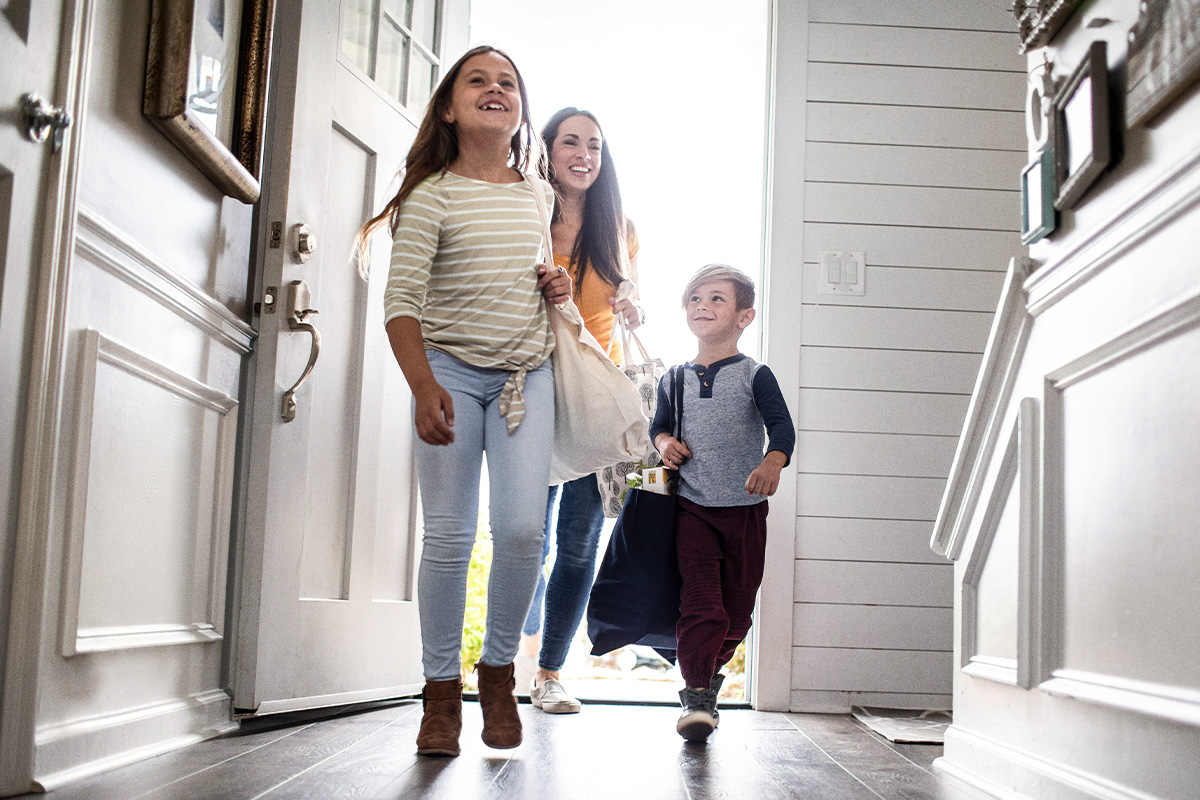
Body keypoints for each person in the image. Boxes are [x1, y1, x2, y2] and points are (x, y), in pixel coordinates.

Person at [358, 45, 572, 757]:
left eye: (507, 82)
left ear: (520, 111)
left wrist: (556, 287)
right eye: (477, 80)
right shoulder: (432, 194)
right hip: (448, 371)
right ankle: (440, 696)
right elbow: (401, 302)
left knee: (519, 534)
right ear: (449, 107)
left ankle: (500, 673)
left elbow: (530, 277)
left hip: (525, 377)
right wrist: (423, 385)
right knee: (448, 538)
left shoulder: (538, 194)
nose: (494, 89)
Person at [515, 107, 642, 714]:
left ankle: (548, 674)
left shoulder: (620, 227)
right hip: (532, 383)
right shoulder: (525, 211)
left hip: (597, 393)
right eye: (571, 141)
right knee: (523, 537)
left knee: (579, 539)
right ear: (549, 149)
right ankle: (514, 645)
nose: (584, 153)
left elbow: (628, 299)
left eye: (594, 144)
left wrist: (633, 306)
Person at [649, 264, 795, 742]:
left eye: (716, 299)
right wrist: (664, 443)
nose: (702, 306)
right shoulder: (673, 379)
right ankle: (695, 694)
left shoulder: (756, 375)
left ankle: (708, 674)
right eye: (694, 298)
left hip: (746, 511)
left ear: (744, 316)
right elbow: (659, 428)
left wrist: (771, 465)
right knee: (703, 603)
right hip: (691, 507)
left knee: (736, 613)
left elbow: (783, 428)